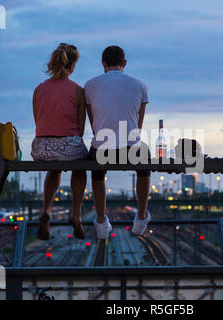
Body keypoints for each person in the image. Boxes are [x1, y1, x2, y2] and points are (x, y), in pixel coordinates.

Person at [84, 45, 151, 239]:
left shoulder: (90, 85)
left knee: (96, 170)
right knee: (144, 161)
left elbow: (94, 124)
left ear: (103, 64)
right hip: (131, 147)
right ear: (125, 63)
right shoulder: (140, 86)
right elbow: (138, 126)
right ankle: (140, 217)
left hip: (102, 148)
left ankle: (101, 221)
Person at [31, 43, 88, 240]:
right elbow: (80, 129)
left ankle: (46, 209)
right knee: (80, 165)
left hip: (42, 147)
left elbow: (38, 121)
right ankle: (76, 213)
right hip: (68, 146)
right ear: (72, 64)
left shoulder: (39, 89)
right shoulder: (78, 90)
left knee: (53, 168)